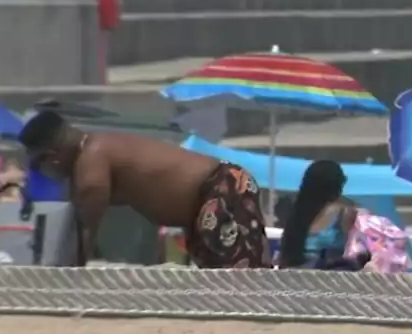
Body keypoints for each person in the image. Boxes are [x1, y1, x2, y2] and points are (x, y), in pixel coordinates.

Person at [17, 110, 270, 268]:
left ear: (52, 158)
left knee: (244, 282)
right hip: (207, 200)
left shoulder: (91, 161)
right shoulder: (95, 149)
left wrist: (66, 280)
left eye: (38, 165)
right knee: (225, 287)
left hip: (221, 190)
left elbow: (83, 234)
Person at [277, 160, 358, 268]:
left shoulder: (297, 215)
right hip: (330, 278)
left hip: (295, 277)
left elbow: (284, 257)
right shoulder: (344, 213)